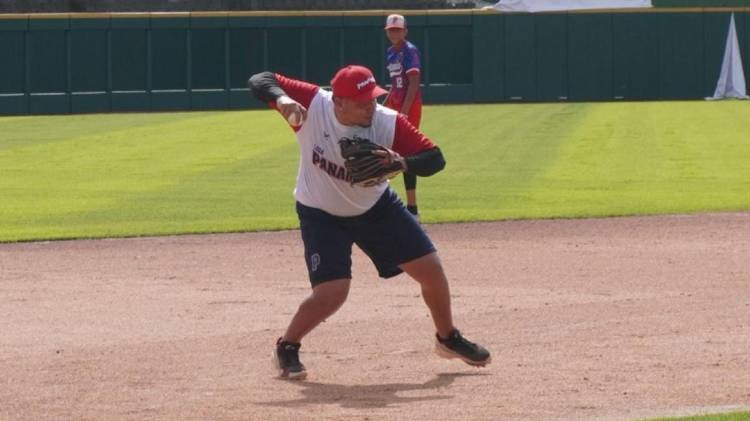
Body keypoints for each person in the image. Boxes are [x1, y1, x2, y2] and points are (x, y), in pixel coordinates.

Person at [248, 64, 490, 380]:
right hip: (321, 212)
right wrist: (282, 100)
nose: (370, 107)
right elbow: (260, 79)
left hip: (376, 207)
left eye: (373, 99)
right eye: (362, 102)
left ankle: (447, 338)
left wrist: (401, 161)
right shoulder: (314, 104)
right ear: (339, 102)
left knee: (431, 271)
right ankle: (287, 346)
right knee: (332, 292)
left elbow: (434, 158)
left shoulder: (387, 122)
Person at [383, 13, 423, 219]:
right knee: (387, 147)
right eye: (391, 30)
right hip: (396, 104)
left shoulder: (410, 51)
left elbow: (414, 83)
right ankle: (379, 200)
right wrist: (385, 105)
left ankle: (413, 209)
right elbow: (394, 83)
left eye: (398, 29)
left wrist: (405, 111)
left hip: (410, 105)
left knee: (407, 151)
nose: (394, 33)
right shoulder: (390, 52)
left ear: (405, 31)